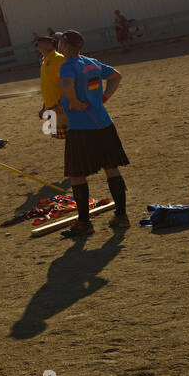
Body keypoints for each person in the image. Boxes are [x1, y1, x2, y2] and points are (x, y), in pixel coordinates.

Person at [57, 30, 132, 237]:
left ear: (66, 46)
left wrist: (73, 102)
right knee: (111, 167)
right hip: (104, 123)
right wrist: (104, 98)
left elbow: (66, 85)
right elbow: (116, 76)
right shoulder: (92, 62)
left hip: (81, 127)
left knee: (77, 174)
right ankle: (122, 216)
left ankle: (84, 223)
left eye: (60, 41)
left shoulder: (68, 66)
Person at [35, 34, 68, 139]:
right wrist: (44, 107)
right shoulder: (44, 61)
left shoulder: (58, 58)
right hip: (52, 107)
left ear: (50, 45)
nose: (38, 44)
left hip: (61, 106)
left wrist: (63, 102)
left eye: (42, 42)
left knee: (73, 136)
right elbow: (48, 86)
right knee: (67, 138)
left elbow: (67, 81)